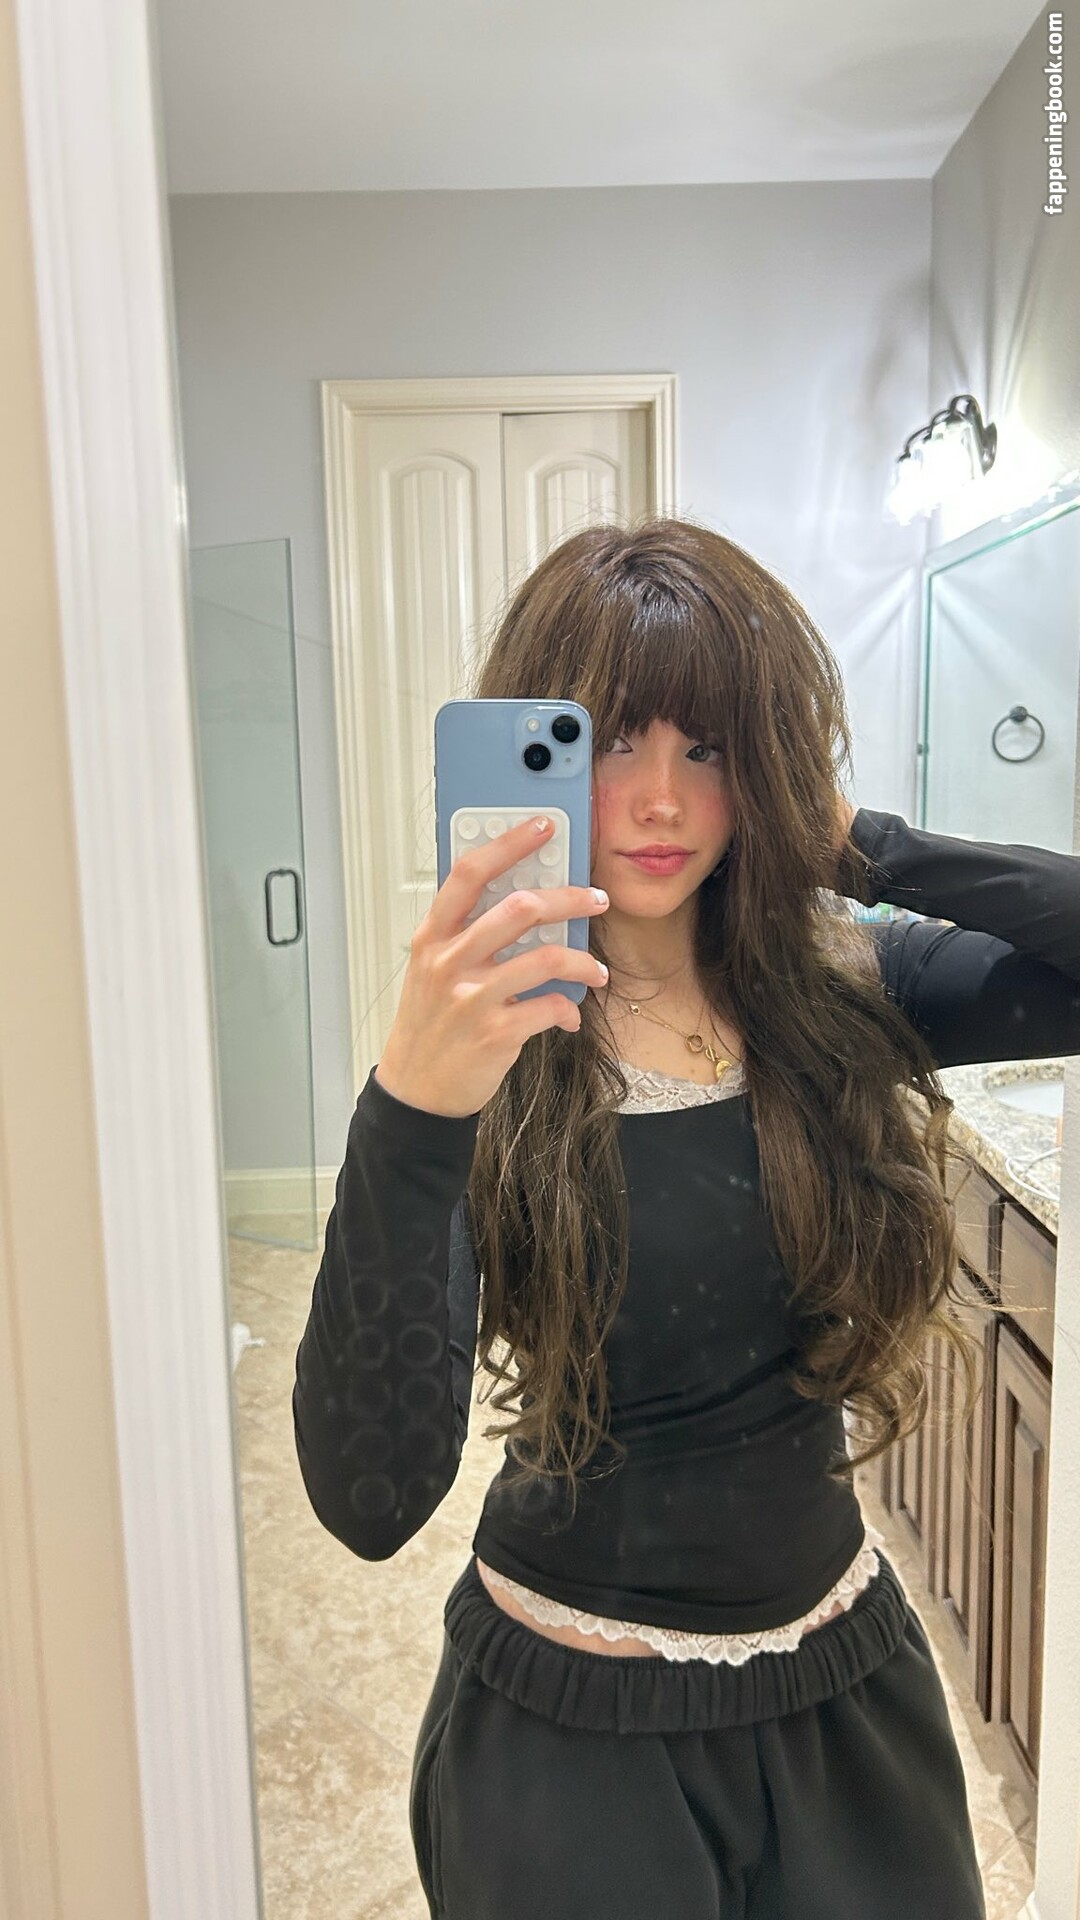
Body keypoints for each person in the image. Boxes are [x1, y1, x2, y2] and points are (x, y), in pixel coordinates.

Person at [293, 517, 1080, 1919]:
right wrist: (411, 1111)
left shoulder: (843, 992)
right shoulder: (488, 1050)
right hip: (572, 1743)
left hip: (848, 1699)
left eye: (709, 747)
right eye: (609, 740)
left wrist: (853, 842)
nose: (661, 799)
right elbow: (369, 1498)